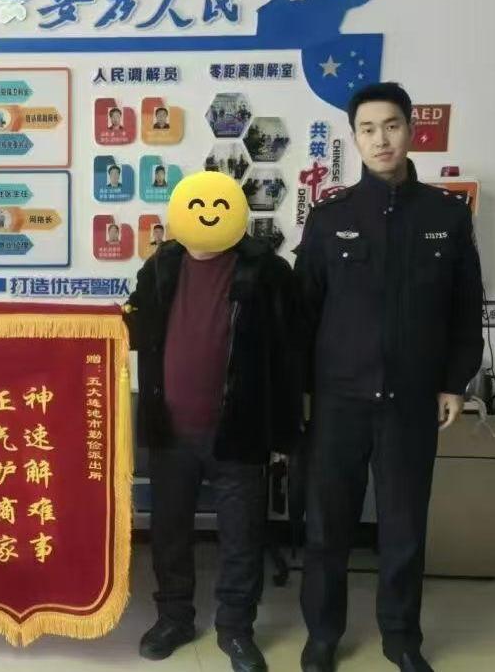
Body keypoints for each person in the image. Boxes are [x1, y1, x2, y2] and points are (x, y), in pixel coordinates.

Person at [294, 82, 483, 672]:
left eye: (392, 126)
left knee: (403, 529)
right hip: (339, 402)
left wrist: (454, 382)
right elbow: (304, 312)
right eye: (369, 129)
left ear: (411, 130)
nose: (382, 139)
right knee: (327, 528)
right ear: (355, 138)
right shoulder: (331, 217)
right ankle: (322, 635)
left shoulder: (447, 216)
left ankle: (401, 638)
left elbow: (465, 308)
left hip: (411, 402)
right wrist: (302, 393)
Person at [126, 172, 302, 671]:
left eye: (216, 206)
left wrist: (285, 432)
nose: (206, 215)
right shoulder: (159, 267)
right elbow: (134, 329)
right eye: (196, 206)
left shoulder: (266, 271)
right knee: (169, 533)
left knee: (242, 537)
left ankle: (236, 629)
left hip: (239, 432)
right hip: (169, 431)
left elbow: (290, 354)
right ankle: (174, 618)